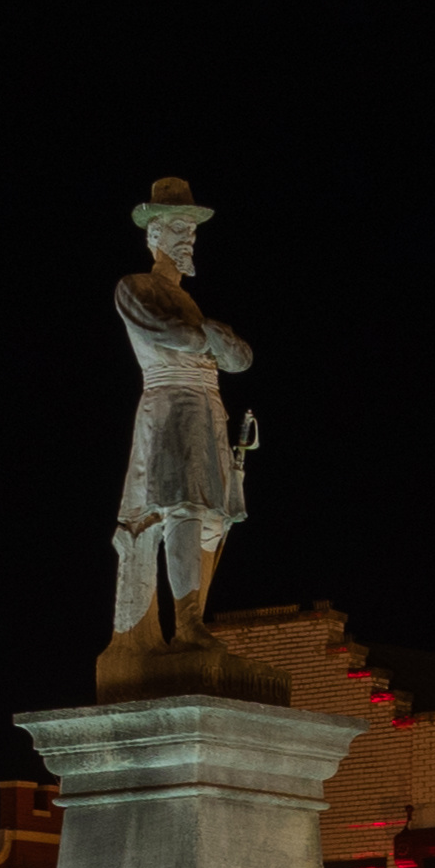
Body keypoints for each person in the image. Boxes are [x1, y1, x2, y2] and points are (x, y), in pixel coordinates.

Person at [108, 177, 254, 654]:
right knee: (184, 507)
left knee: (215, 515)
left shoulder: (190, 302)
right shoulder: (135, 287)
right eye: (177, 227)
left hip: (208, 407)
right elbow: (186, 339)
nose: (188, 237)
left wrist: (211, 334)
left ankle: (195, 619)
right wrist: (213, 334)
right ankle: (187, 622)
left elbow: (240, 359)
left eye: (191, 229)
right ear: (153, 235)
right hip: (172, 405)